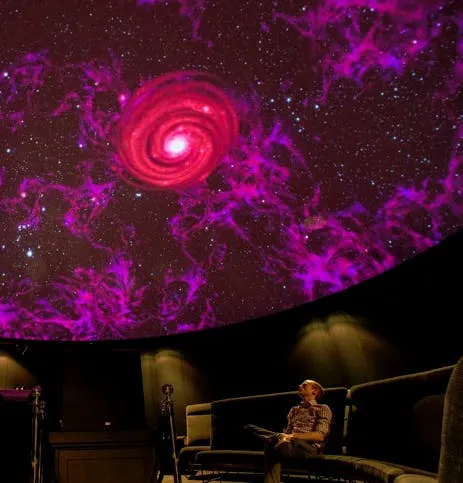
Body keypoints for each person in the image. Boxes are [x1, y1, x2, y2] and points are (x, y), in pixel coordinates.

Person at [245, 379, 332, 483]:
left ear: (315, 391)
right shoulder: (294, 410)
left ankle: (278, 441)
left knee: (272, 445)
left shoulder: (322, 408)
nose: (300, 386)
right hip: (289, 443)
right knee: (251, 428)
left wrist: (292, 436)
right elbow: (288, 432)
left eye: (304, 385)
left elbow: (320, 436)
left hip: (309, 447)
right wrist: (285, 436)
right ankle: (279, 441)